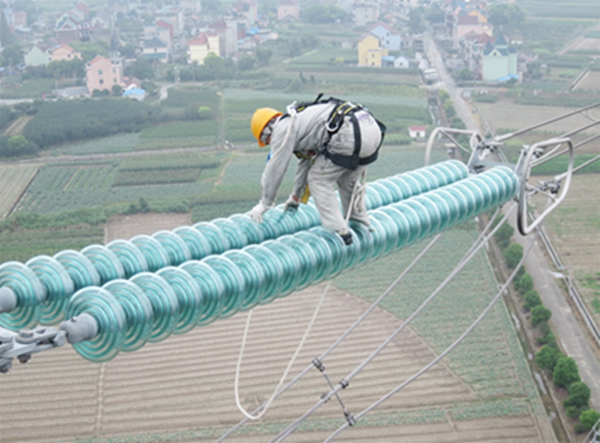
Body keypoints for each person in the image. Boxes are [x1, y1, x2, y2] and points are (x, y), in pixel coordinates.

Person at [248, 95, 386, 245]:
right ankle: (360, 222)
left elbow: (275, 169)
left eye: (266, 141)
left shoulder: (282, 129)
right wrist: (296, 197)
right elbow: (306, 161)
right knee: (347, 180)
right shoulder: (299, 120)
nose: (270, 144)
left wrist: (265, 203)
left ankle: (338, 231)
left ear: (267, 132)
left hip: (348, 132)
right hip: (370, 129)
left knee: (318, 179)